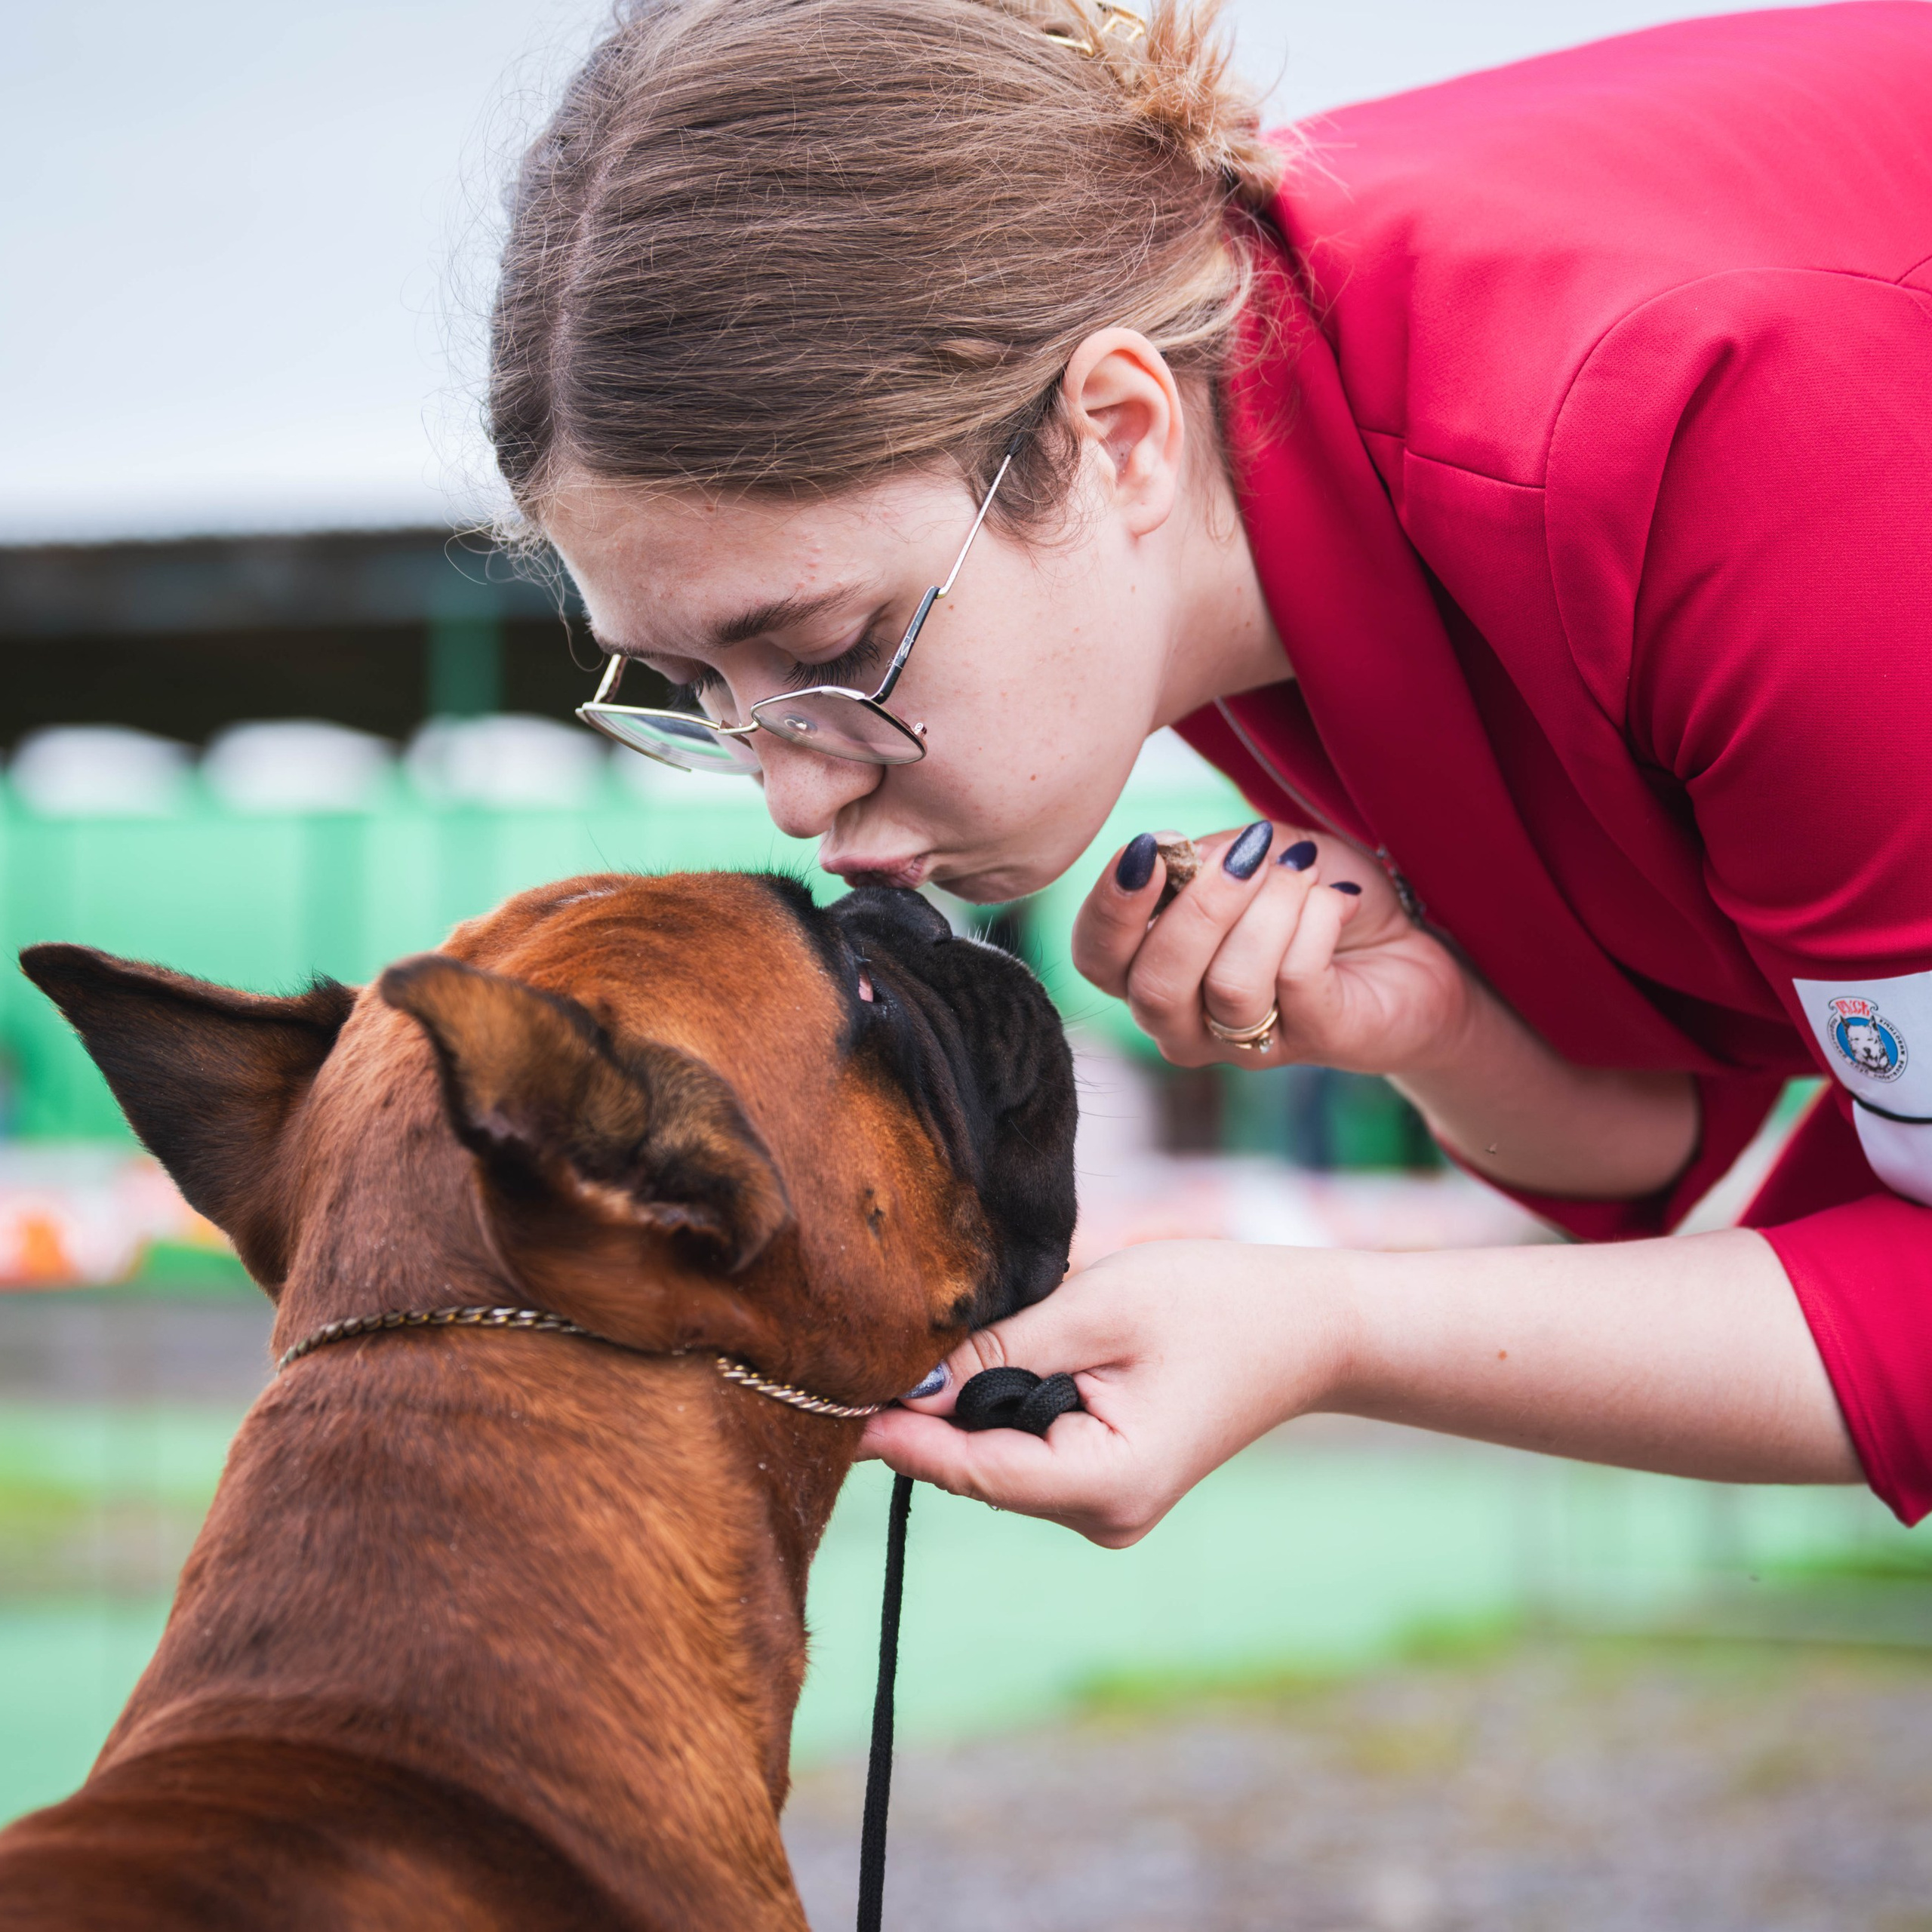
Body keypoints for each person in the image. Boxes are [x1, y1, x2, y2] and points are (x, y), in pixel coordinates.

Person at [490, 0, 1932, 1541]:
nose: (789, 793)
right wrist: (1436, 1030)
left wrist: (1328, 1328)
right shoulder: (1230, 501)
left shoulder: (1703, 439)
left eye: (834, 646)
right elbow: (1664, 1140)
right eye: (693, 683)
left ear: (1113, 430)